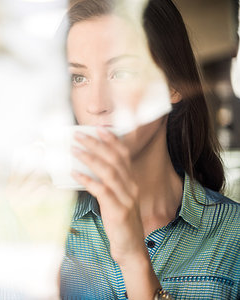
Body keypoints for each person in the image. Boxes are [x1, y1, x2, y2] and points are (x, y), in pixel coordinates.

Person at [59, 0, 240, 299]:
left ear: (172, 84)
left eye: (121, 73)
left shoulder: (232, 237)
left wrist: (133, 259)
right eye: (79, 78)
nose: (96, 105)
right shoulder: (48, 230)